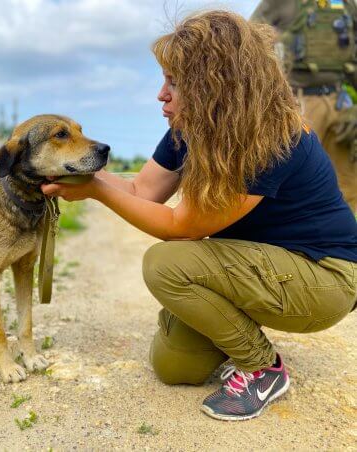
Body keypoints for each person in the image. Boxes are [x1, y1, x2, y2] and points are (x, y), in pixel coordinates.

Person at [41, 11, 357, 421]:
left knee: (166, 264)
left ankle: (262, 368)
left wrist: (97, 190)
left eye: (174, 82)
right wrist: (81, 173)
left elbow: (180, 227)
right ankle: (230, 326)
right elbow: (142, 191)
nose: (161, 95)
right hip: (260, 268)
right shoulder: (190, 128)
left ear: (215, 85)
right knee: (175, 367)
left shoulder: (272, 138)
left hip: (323, 278)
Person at [251, 0, 357, 211]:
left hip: (339, 101)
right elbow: (248, 43)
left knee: (349, 183)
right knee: (295, 177)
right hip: (299, 102)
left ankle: (346, 240)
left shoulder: (347, 5)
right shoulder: (279, 3)